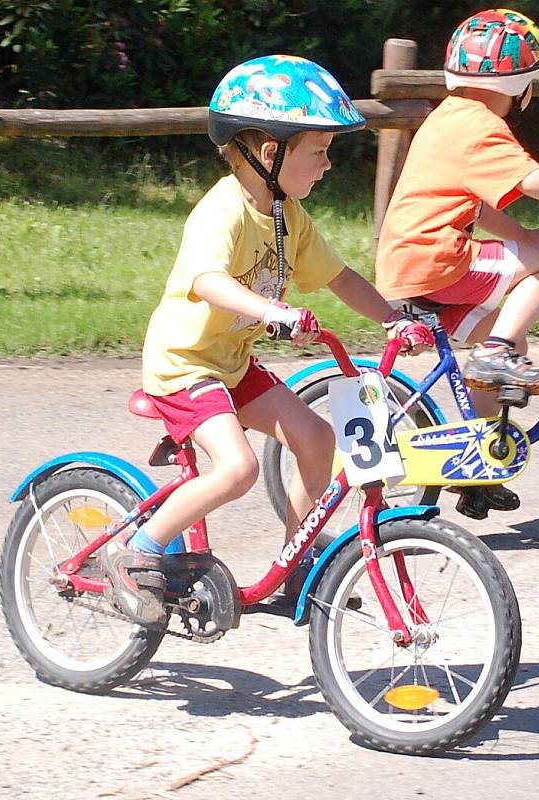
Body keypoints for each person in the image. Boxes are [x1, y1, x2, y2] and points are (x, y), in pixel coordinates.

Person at [102, 55, 431, 627]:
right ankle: (135, 554)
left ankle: (296, 561)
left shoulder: (287, 215)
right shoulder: (224, 209)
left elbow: (340, 277)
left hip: (230, 362)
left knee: (317, 437)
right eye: (319, 152)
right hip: (185, 365)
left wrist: (392, 319)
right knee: (239, 469)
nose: (328, 165)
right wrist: (270, 310)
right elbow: (207, 280)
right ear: (270, 152)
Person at [374, 8, 539, 519]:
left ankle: (478, 469)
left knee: (504, 344)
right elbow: (531, 179)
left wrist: (522, 237)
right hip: (439, 259)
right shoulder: (481, 125)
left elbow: (481, 202)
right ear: (520, 85)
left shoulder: (448, 116)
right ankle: (494, 353)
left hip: (410, 263)